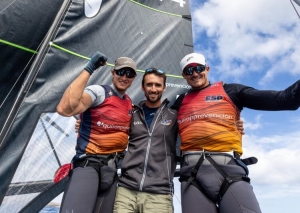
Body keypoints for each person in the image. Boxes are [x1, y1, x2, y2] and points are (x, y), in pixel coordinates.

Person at [172, 52, 300, 213]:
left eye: (199, 68)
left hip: (230, 173)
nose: (195, 73)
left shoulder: (231, 91)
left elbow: (285, 99)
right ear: (183, 75)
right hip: (192, 177)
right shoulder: (180, 101)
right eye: (189, 70)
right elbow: (159, 131)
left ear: (207, 68)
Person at [56, 51, 137, 213]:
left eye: (129, 73)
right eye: (121, 71)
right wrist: (90, 68)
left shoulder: (129, 103)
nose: (124, 77)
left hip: (111, 169)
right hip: (88, 165)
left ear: (134, 77)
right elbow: (64, 109)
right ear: (112, 72)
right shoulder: (100, 92)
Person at [113, 68, 178, 213]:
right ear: (143, 87)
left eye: (157, 85)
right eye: (149, 85)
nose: (153, 89)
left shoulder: (174, 115)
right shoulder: (132, 113)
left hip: (159, 194)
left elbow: (199, 124)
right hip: (126, 191)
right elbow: (109, 125)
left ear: (164, 87)